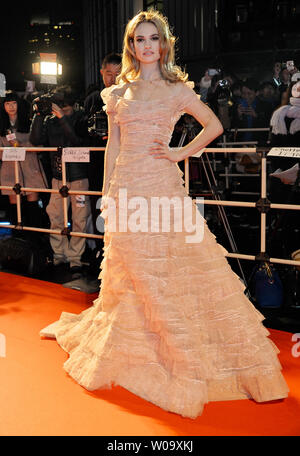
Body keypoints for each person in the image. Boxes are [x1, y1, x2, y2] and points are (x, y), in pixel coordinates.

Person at [40, 10, 288, 419]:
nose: (147, 46)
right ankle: (141, 346)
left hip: (162, 187)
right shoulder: (118, 93)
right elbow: (113, 147)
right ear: (132, 46)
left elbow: (212, 127)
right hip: (127, 188)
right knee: (133, 268)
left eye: (153, 38)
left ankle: (178, 351)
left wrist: (178, 152)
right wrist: (107, 193)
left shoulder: (177, 90)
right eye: (139, 39)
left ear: (164, 44)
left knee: (173, 266)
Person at [30, 86, 90, 279]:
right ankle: (59, 255)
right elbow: (35, 139)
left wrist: (62, 118)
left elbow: (77, 140)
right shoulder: (49, 120)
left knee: (80, 219)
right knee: (55, 216)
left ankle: (76, 259)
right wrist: (39, 115)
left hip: (79, 176)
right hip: (57, 176)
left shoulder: (80, 117)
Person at [0, 90, 47, 229]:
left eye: (14, 103)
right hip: (9, 170)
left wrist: (21, 147)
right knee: (15, 206)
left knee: (33, 205)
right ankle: (18, 240)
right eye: (7, 104)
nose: (11, 107)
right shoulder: (2, 126)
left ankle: (34, 239)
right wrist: (10, 151)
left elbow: (39, 144)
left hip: (30, 167)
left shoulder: (29, 123)